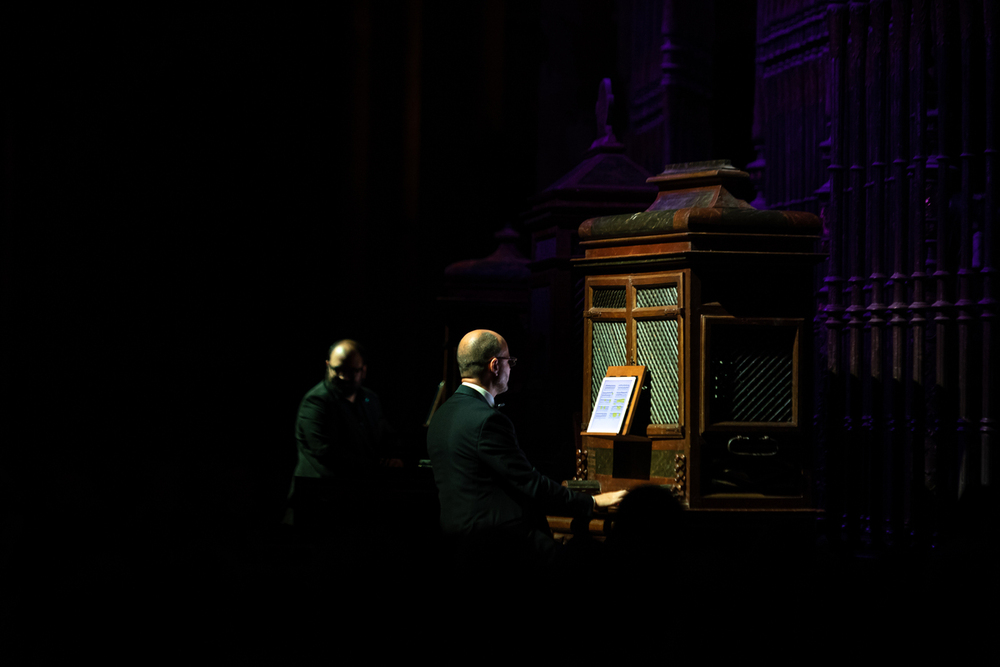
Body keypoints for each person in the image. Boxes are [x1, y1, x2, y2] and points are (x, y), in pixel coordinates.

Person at [427, 329, 626, 572]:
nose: (511, 368)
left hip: (457, 547)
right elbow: (530, 484)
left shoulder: (441, 415)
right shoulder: (488, 420)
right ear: (495, 365)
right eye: (509, 361)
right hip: (499, 549)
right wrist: (592, 501)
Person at [291, 340, 399, 541]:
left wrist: (394, 458)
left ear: (363, 370)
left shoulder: (370, 399)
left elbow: (386, 437)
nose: (343, 376)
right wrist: (378, 466)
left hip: (355, 507)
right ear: (327, 366)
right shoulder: (315, 402)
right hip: (319, 508)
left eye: (352, 371)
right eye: (337, 369)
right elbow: (327, 453)